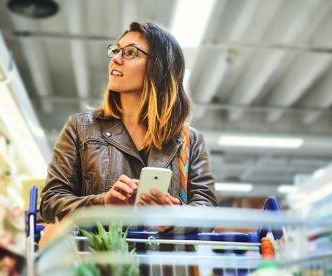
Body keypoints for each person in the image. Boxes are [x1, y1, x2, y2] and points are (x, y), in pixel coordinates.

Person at [39, 21, 217, 225]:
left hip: (163, 257)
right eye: (116, 50)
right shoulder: (81, 128)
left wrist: (172, 215)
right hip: (99, 257)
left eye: (130, 53)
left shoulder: (189, 140)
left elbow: (207, 210)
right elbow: (49, 204)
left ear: (159, 68)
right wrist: (103, 203)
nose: (115, 59)